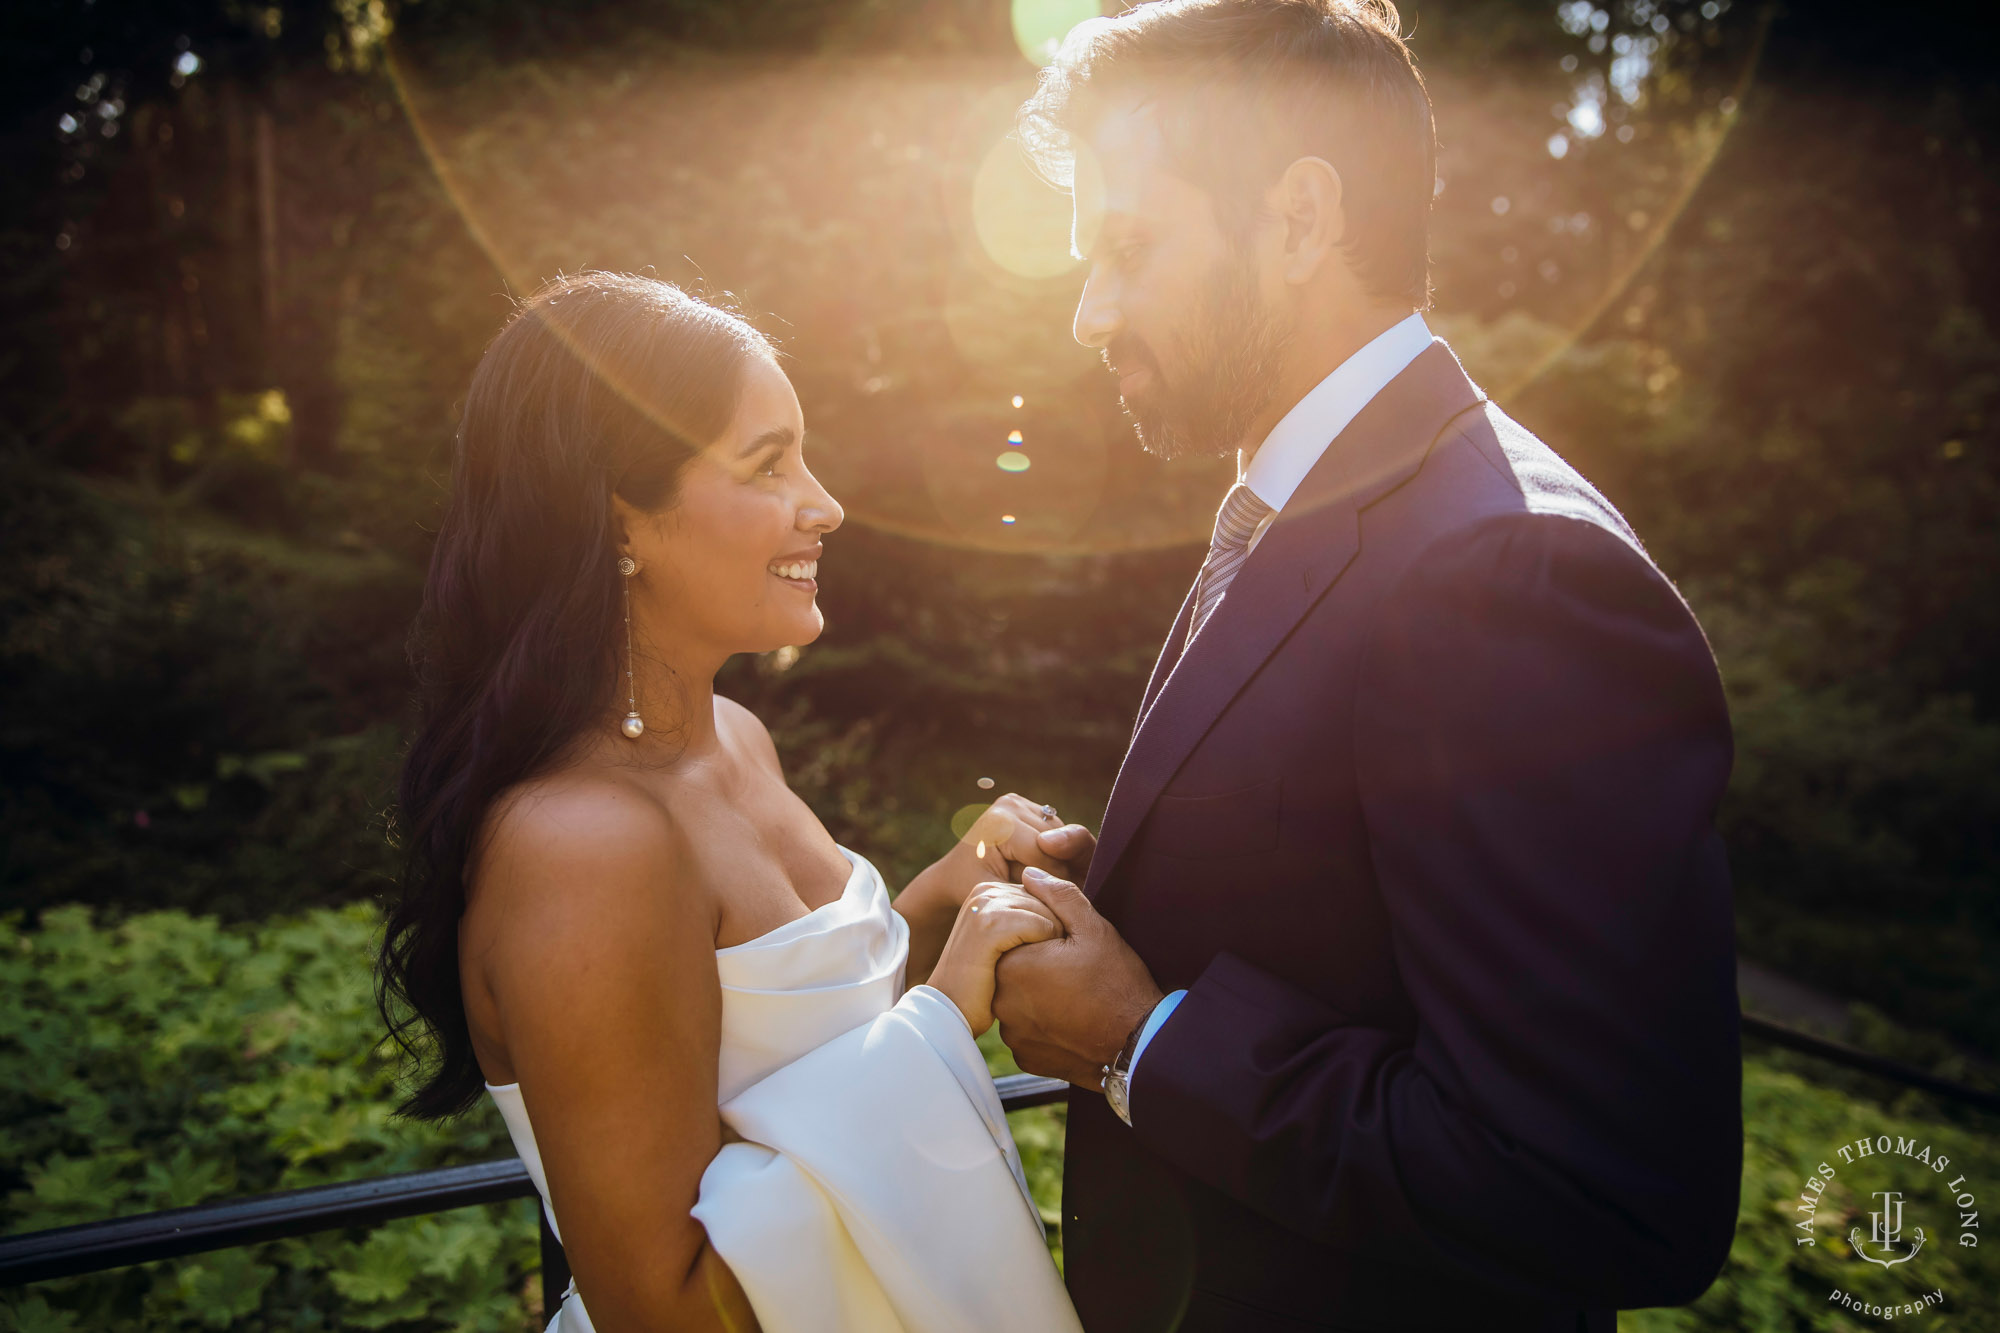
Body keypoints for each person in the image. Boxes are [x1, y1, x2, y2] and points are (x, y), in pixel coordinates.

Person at [990, 2, 1744, 1329]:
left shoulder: (1505, 570)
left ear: (1297, 219)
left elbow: (1605, 1187)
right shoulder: (1311, 505)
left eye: (1128, 246)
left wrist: (1139, 1042)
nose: (1089, 314)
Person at [377, 272, 1083, 1332]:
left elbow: (799, 1036)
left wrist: (954, 899)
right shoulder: (583, 847)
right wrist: (946, 1016)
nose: (826, 504)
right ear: (621, 522)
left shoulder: (739, 740)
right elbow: (663, 1308)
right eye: (768, 465)